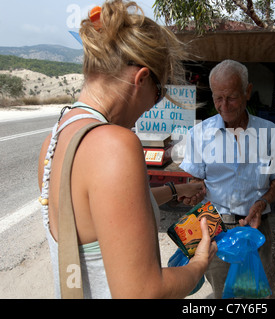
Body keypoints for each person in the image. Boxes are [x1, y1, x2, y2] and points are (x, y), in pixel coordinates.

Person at [37, 0, 216, 299]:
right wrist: (199, 263)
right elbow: (143, 292)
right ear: (142, 79)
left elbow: (104, 215)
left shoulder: (54, 140)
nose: (151, 107)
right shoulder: (114, 144)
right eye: (158, 96)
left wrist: (176, 189)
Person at [180, 60, 275, 298]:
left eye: (231, 97)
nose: (223, 106)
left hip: (255, 226)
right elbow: (195, 181)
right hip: (215, 226)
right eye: (217, 98)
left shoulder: (269, 134)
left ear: (247, 91)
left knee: (255, 292)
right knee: (222, 289)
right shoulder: (199, 134)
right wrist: (194, 192)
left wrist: (262, 204)